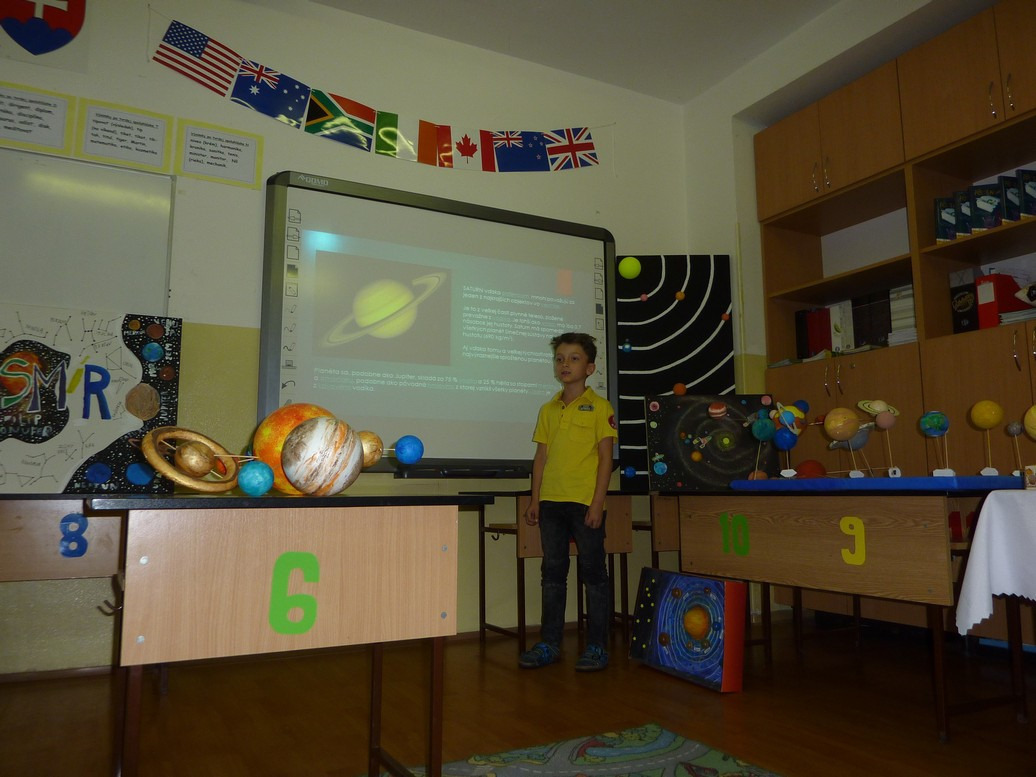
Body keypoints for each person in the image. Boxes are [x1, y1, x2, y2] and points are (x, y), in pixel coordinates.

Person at [519, 332, 617, 672]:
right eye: (560, 358)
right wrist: (535, 500)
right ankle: (549, 643)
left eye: (574, 359)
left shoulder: (601, 408)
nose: (565, 364)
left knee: (594, 573)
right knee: (552, 573)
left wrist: (597, 503)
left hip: (584, 502)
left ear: (589, 368)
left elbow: (606, 459)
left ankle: (597, 646)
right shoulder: (548, 409)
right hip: (551, 503)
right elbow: (541, 458)